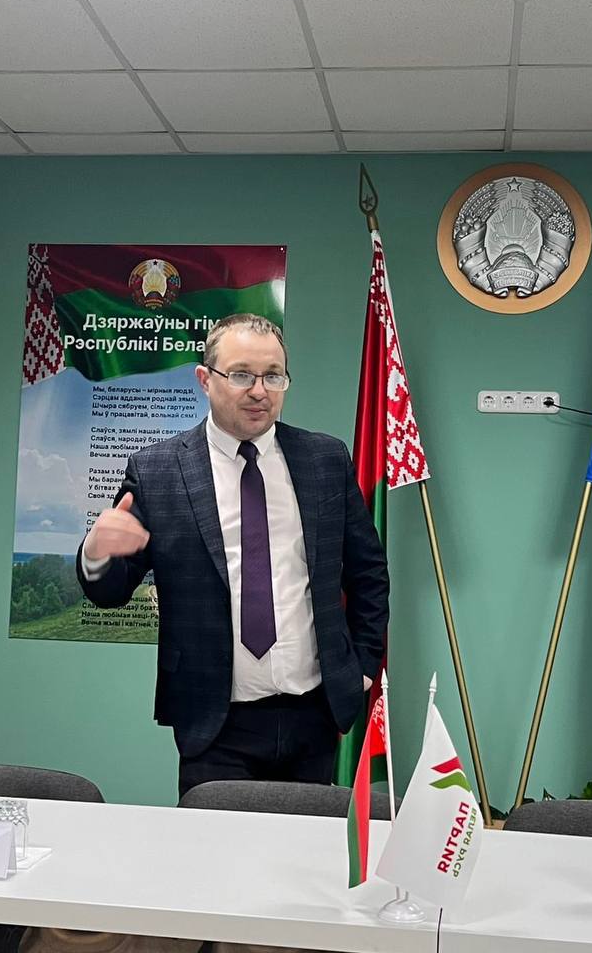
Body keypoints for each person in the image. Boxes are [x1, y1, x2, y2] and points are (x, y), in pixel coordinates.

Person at [77, 314, 388, 797]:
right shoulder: (158, 471)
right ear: (205, 379)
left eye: (273, 376)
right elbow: (111, 591)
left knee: (306, 843)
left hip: (314, 713)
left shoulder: (325, 460)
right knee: (214, 844)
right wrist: (97, 552)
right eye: (242, 374)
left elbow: (368, 572)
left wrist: (363, 667)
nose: (259, 391)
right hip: (214, 721)